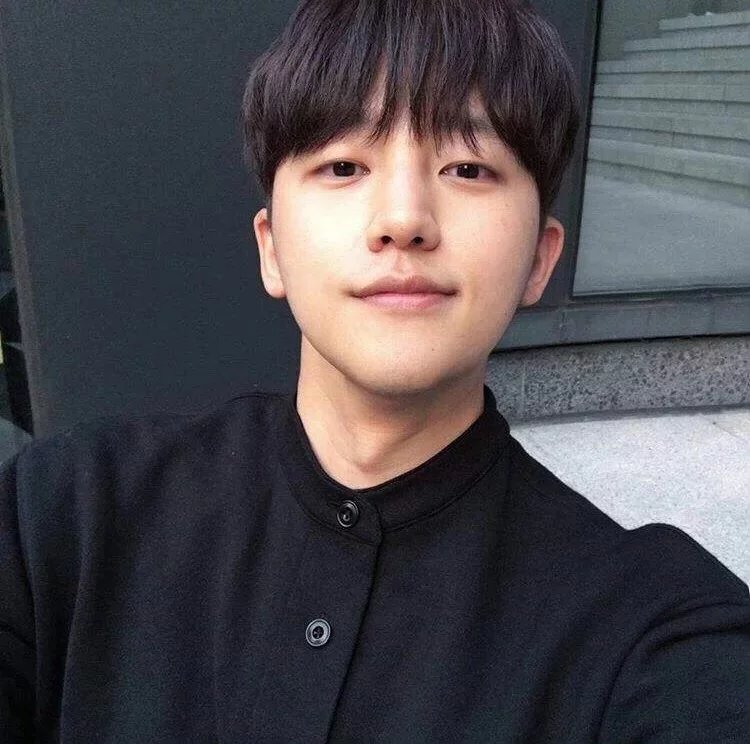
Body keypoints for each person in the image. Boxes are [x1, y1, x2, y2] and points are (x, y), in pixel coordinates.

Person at [1, 0, 748, 741]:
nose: (403, 219)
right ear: (271, 247)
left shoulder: (645, 629)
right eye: (343, 166)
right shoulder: (63, 516)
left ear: (539, 260)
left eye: (467, 167)